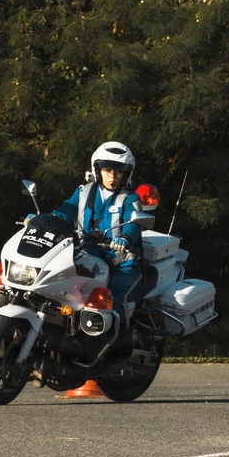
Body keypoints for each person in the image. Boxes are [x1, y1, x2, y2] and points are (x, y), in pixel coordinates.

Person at [50, 141, 144, 332]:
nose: (112, 176)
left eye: (118, 171)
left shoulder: (130, 198)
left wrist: (124, 238)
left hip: (120, 264)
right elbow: (66, 210)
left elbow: (134, 223)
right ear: (97, 169)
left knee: (115, 298)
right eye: (107, 169)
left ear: (126, 174)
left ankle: (121, 347)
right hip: (85, 257)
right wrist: (45, 220)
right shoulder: (83, 191)